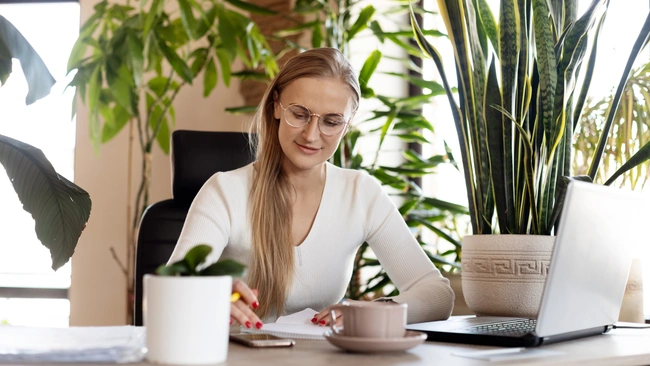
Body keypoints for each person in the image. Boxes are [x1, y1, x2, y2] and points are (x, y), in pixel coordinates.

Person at [167, 47, 454, 330]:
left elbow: (438, 295)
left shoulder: (360, 193)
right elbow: (171, 288)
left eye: (331, 121)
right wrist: (208, 295)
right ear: (276, 105)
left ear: (348, 123)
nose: (311, 135)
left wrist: (377, 309)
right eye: (300, 114)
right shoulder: (225, 192)